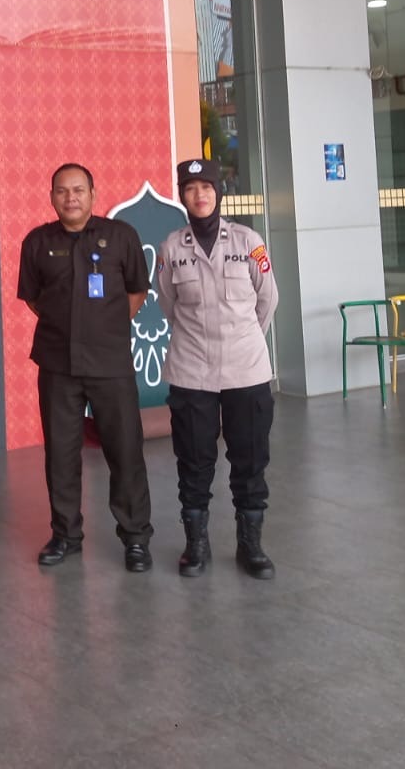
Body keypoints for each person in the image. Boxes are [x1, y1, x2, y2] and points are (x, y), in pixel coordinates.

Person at [16, 164, 154, 571]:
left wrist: (105, 327)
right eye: (62, 191)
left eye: (78, 190)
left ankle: (135, 537)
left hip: (110, 362)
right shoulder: (37, 242)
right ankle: (65, 535)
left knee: (125, 451)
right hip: (58, 364)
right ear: (51, 197)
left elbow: (137, 291)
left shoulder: (121, 236)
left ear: (93, 194)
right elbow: (34, 298)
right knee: (61, 454)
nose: (70, 198)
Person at [156, 159, 279, 579]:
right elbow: (168, 304)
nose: (200, 195)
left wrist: (239, 339)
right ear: (182, 196)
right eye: (190, 188)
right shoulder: (172, 248)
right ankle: (196, 545)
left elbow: (267, 300)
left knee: (250, 460)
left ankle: (251, 546)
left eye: (206, 187)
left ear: (219, 192)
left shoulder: (248, 241)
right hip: (192, 371)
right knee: (193, 462)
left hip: (246, 370)